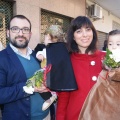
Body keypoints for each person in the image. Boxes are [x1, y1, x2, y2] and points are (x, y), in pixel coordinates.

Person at [0, 15, 50, 120]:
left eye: (25, 29)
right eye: (15, 29)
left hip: (46, 116)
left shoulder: (38, 55)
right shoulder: (2, 59)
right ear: (8, 32)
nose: (21, 33)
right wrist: (30, 88)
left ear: (30, 34)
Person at [56, 16, 106, 120]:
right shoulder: (67, 61)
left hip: (103, 115)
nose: (85, 35)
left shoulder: (105, 58)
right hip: (75, 115)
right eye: (79, 31)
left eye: (88, 29)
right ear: (73, 37)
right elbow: (64, 96)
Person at [34, 25, 78, 113]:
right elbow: (40, 52)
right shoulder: (56, 49)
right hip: (51, 72)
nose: (45, 40)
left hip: (50, 73)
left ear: (50, 38)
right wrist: (40, 55)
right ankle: (51, 96)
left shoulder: (52, 48)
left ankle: (50, 97)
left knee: (40, 83)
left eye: (46, 38)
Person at [79, 29, 120, 120]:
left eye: (118, 44)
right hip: (94, 110)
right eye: (110, 44)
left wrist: (115, 73)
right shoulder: (108, 62)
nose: (113, 47)